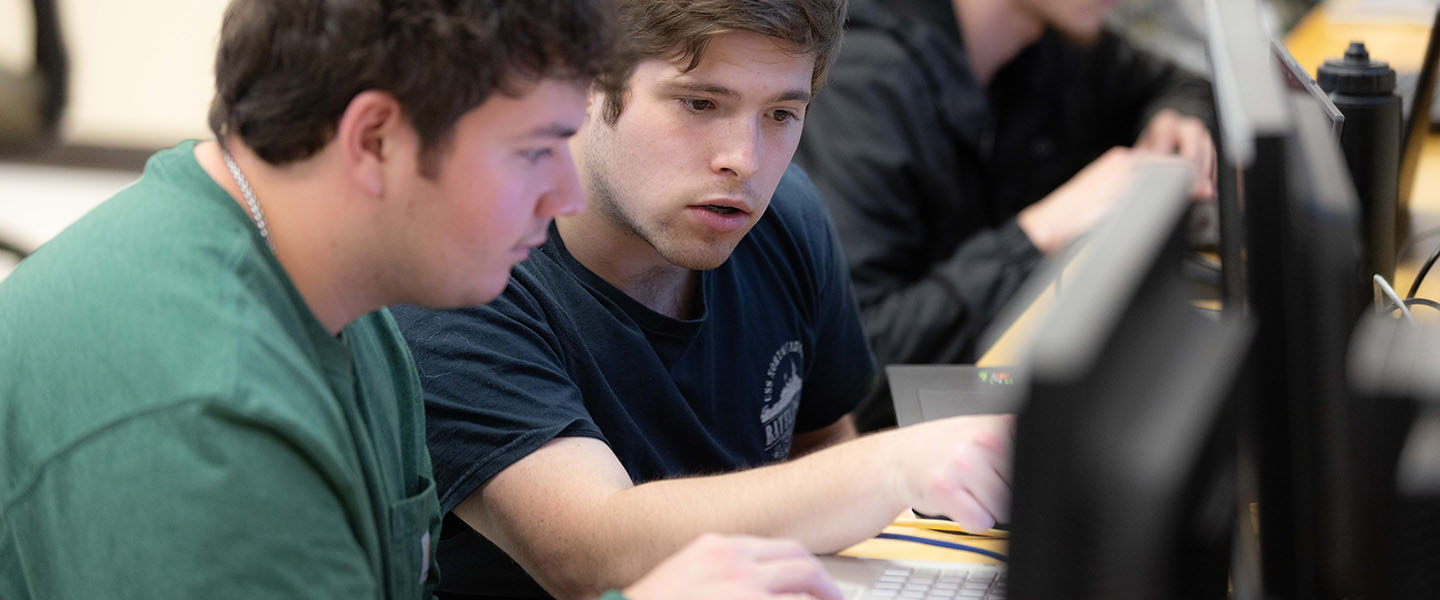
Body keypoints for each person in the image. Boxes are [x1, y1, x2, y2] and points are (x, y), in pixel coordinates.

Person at [0, 1, 842, 599]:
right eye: (534, 151)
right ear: (375, 140)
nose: (564, 194)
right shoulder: (205, 413)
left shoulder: (338, 287)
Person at [391, 1, 1016, 598]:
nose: (743, 160)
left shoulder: (786, 214)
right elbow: (587, 556)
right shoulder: (466, 270)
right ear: (583, 80)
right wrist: (894, 466)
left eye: (781, 114)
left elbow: (822, 443)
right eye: (699, 102)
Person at [792, 0, 1219, 431]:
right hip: (904, 461)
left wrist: (1173, 122)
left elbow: (1178, 87)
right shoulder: (868, 79)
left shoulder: (1050, 38)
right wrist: (1040, 233)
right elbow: (852, 381)